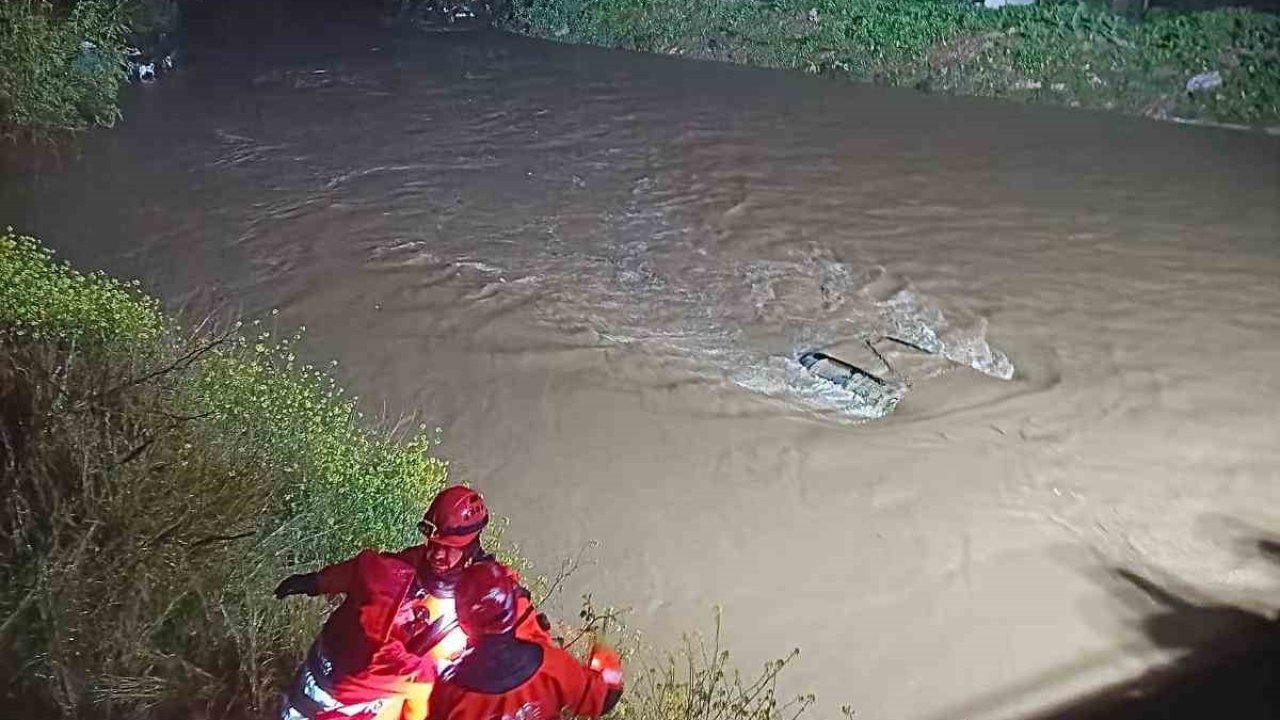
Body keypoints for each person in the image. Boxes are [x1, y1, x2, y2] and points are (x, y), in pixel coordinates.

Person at [275, 486, 551, 720]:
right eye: (433, 543)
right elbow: (362, 572)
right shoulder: (410, 564)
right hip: (341, 675)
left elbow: (528, 635)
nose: (436, 554)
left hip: (397, 693)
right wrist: (315, 582)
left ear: (469, 546)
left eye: (447, 547)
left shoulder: (492, 591)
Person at [427, 561, 625, 720]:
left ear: (463, 621)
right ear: (513, 609)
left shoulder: (449, 690)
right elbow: (604, 698)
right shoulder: (552, 666)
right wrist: (604, 651)